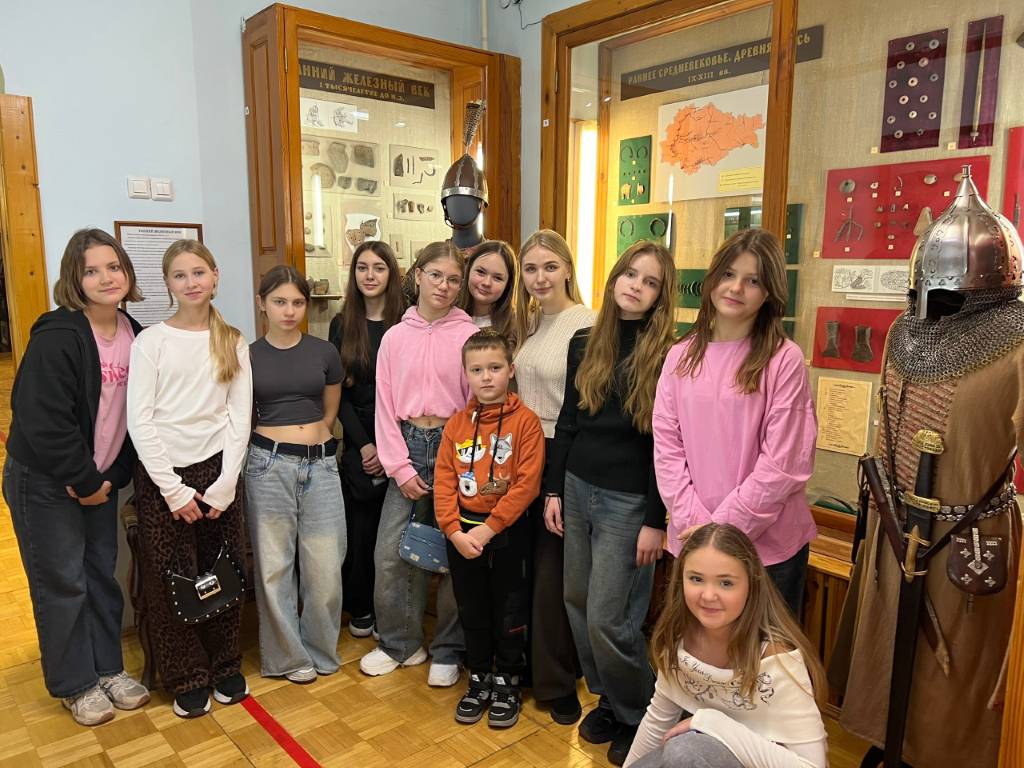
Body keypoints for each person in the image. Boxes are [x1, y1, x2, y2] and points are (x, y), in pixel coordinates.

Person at [831, 168, 1024, 768]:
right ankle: (888, 744)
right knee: (889, 651)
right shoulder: (904, 333)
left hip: (968, 539)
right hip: (896, 531)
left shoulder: (1018, 341)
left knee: (952, 674)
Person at [3, 228, 150, 726]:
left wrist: (110, 478)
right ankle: (75, 684)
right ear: (74, 279)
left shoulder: (136, 334)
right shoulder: (58, 335)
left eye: (113, 267)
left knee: (100, 576)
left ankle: (108, 669)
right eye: (91, 271)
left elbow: (136, 416)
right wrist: (83, 481)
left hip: (99, 480)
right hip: (46, 482)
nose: (106, 278)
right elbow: (42, 419)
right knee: (62, 582)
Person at [548, 241, 676, 764]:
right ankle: (610, 698)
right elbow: (567, 421)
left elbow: (666, 445)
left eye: (650, 282)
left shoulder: (669, 355)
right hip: (577, 487)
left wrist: (656, 520)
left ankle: (641, 713)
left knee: (610, 616)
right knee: (577, 603)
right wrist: (553, 490)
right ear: (614, 277)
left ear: (660, 296)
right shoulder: (584, 342)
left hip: (629, 502)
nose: (636, 286)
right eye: (630, 274)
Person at [653, 229, 817, 616]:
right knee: (697, 649)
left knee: (764, 652)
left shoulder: (783, 359)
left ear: (769, 292)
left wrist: (721, 531)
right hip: (692, 537)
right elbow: (667, 447)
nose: (736, 288)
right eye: (728, 274)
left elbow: (784, 464)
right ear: (712, 278)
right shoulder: (680, 356)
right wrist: (696, 524)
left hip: (766, 549)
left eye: (753, 280)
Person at [127, 240, 252, 718]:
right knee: (172, 579)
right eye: (180, 275)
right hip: (164, 476)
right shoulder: (151, 342)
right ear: (168, 284)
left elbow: (239, 417)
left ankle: (225, 664)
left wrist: (225, 483)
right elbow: (140, 420)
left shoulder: (232, 340)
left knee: (224, 571)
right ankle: (186, 674)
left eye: (199, 272)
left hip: (218, 471)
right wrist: (173, 490)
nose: (191, 282)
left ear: (215, 276)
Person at [360, 241, 478, 686]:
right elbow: (384, 405)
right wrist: (399, 467)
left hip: (455, 447)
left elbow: (476, 404)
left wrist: (460, 461)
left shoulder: (468, 335)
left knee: (453, 552)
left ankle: (448, 649)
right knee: (391, 553)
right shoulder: (395, 337)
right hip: (408, 445)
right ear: (417, 275)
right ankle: (400, 644)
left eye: (453, 279)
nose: (443, 286)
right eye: (435, 275)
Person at [624, 523, 828, 768]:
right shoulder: (678, 639)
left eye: (726, 583)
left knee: (686, 750)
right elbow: (657, 721)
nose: (708, 595)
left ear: (751, 585)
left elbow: (813, 766)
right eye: (696, 579)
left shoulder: (778, 660)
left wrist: (711, 722)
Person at [434, 330, 545, 728]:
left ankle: (507, 680)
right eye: (477, 370)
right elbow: (444, 482)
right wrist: (454, 532)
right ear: (466, 374)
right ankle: (479, 676)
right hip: (462, 536)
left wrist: (489, 530)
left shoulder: (526, 423)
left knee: (510, 610)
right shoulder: (456, 425)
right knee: (473, 609)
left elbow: (527, 485)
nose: (486, 377)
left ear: (511, 370)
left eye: (495, 368)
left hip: (508, 534)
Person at [246, 265, 345, 683]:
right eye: (279, 302)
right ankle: (287, 658)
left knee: (326, 567)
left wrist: (315, 441)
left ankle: (320, 649)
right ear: (262, 304)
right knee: (274, 567)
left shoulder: (324, 352)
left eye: (298, 302)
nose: (289, 311)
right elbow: (242, 414)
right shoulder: (247, 355)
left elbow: (330, 410)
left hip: (320, 464)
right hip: (268, 465)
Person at [512, 229, 595, 724]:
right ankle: (529, 665)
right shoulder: (531, 323)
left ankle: (557, 682)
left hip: (559, 452)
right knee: (525, 567)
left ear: (567, 268)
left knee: (552, 571)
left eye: (549, 266)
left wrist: (557, 479)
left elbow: (584, 406)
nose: (540, 277)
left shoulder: (587, 323)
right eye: (531, 269)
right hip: (522, 449)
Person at [330, 241, 406, 640]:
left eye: (379, 267)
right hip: (360, 440)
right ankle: (362, 606)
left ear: (392, 274)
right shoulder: (342, 323)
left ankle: (393, 610)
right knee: (361, 530)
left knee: (393, 533)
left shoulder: (407, 321)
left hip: (401, 436)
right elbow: (337, 395)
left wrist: (388, 444)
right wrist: (364, 446)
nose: (370, 275)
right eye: (362, 267)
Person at [457, 240, 517, 337]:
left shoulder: (516, 327)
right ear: (468, 270)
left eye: (497, 278)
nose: (486, 283)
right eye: (481, 272)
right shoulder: (445, 314)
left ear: (508, 284)